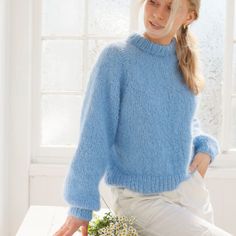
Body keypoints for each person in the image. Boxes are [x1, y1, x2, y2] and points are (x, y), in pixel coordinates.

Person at [54, 0, 233, 235]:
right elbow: (95, 134)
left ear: (188, 17)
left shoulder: (183, 60)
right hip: (141, 200)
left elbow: (184, 121)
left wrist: (205, 146)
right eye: (153, 2)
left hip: (191, 190)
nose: (158, 14)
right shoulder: (117, 59)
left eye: (170, 7)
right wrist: (80, 205)